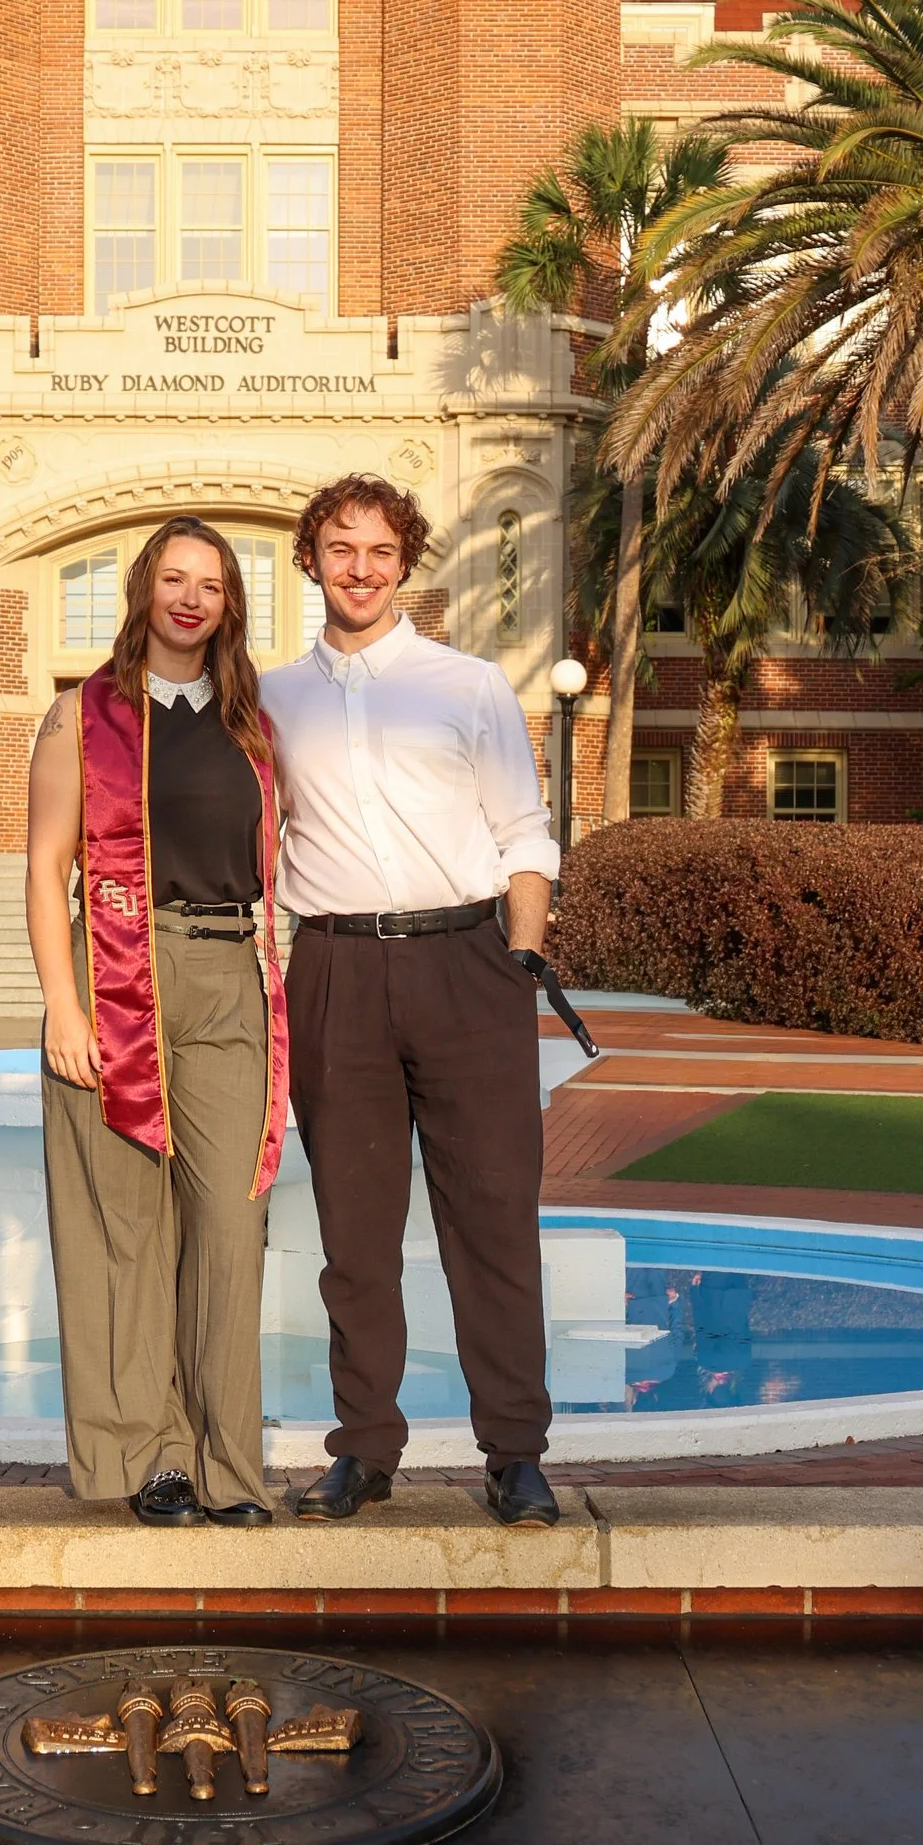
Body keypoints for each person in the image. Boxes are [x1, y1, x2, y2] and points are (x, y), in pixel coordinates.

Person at [258, 476, 563, 1527]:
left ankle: (515, 1452)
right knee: (354, 1234)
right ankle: (364, 1449)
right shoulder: (269, 699)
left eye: (379, 550)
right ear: (310, 557)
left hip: (469, 966)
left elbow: (524, 832)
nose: (359, 567)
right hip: (334, 972)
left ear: (404, 563)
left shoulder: (466, 684)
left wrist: (519, 959)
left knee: (492, 1222)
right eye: (340, 547)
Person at [25, 517, 289, 1525]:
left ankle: (231, 1467)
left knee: (229, 1223)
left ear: (229, 605)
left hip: (230, 974)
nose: (189, 598)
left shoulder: (248, 722)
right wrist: (63, 1003)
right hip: (116, 970)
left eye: (210, 585)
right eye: (173, 579)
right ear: (142, 590)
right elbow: (46, 867)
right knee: (127, 1235)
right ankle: (154, 1461)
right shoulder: (78, 714)